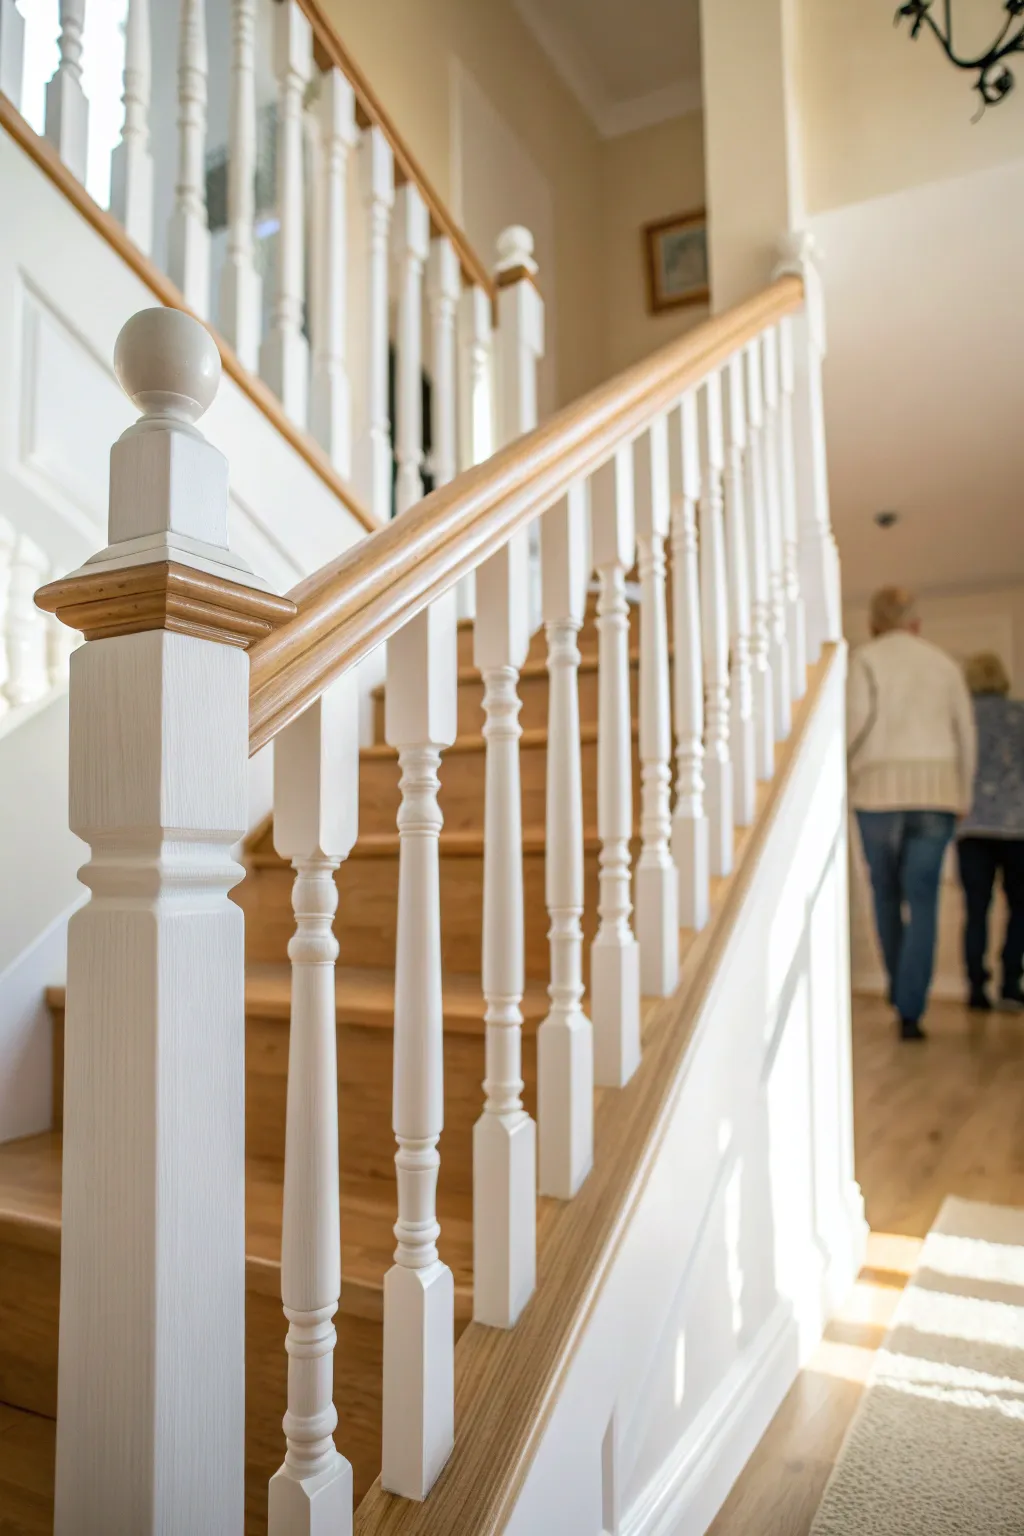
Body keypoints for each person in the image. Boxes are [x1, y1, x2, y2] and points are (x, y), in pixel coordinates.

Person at [848, 587, 976, 1040]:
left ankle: (899, 989)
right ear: (916, 624)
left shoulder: (864, 660)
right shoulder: (943, 663)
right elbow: (965, 733)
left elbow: (856, 723)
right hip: (937, 794)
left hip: (877, 794)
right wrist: (962, 793)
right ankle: (911, 1007)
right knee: (924, 902)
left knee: (885, 894)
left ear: (874, 624)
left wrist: (849, 770)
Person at [956, 652, 1024, 1012]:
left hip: (973, 826)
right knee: (1020, 909)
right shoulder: (1020, 715)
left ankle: (976, 988)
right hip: (1017, 827)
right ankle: (1011, 982)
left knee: (976, 911)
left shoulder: (964, 720)